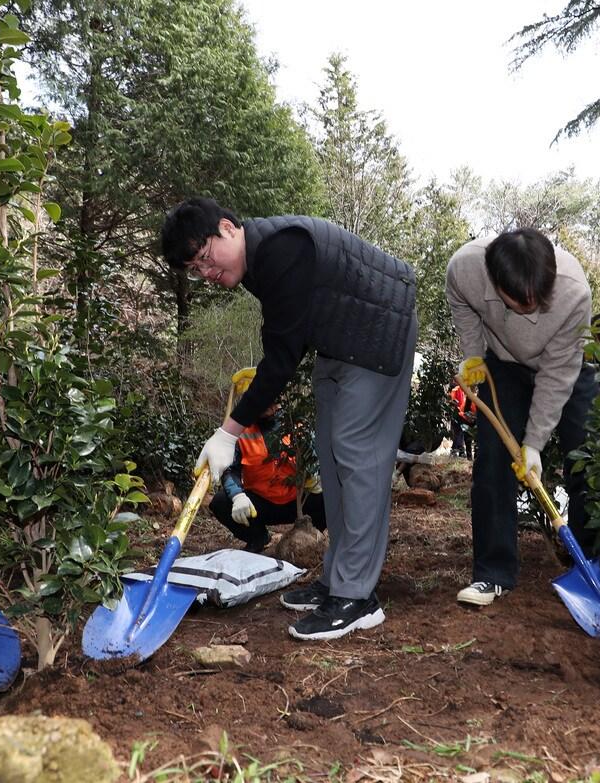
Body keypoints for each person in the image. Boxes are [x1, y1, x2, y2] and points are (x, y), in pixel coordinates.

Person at [160, 199, 417, 641]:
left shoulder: (282, 247)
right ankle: (339, 580)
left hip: (378, 334)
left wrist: (229, 432)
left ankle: (357, 597)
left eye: (205, 258)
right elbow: (282, 339)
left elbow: (281, 361)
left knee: (358, 454)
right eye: (195, 270)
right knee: (332, 456)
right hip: (340, 341)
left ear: (227, 227)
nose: (206, 273)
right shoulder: (257, 262)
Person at [447, 227, 598, 607]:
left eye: (536, 299)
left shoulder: (574, 293)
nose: (529, 306)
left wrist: (534, 444)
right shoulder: (465, 268)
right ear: (495, 280)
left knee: (589, 459)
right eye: (519, 300)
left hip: (566, 367)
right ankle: (492, 573)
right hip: (505, 363)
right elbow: (461, 303)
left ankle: (595, 567)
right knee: (494, 461)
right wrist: (472, 354)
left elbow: (558, 374)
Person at [207, 403, 326, 552]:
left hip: (299, 499)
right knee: (221, 502)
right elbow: (230, 469)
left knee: (333, 494)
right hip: (262, 503)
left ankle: (315, 537)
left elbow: (318, 457)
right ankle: (258, 538)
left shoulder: (297, 424)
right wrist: (237, 495)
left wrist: (316, 476)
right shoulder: (241, 431)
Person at [448, 381, 475, 460]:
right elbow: (456, 402)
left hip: (460, 414)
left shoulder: (458, 390)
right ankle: (458, 450)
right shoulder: (459, 390)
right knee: (459, 432)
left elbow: (455, 402)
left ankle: (459, 450)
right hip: (460, 414)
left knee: (459, 432)